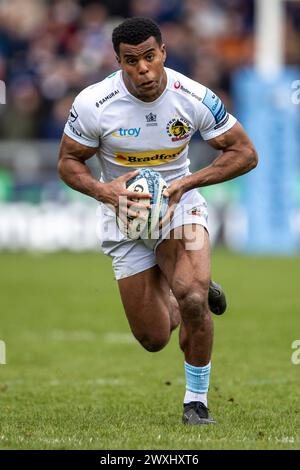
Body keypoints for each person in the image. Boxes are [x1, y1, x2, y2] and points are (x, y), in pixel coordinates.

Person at [58, 17, 258, 425]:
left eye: (150, 56)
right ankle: (185, 288)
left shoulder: (193, 96)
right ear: (117, 61)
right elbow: (67, 162)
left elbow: (244, 153)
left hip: (179, 206)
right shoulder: (94, 103)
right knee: (152, 338)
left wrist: (187, 183)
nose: (143, 69)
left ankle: (196, 403)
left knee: (194, 298)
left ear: (163, 51)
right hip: (124, 214)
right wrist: (106, 191)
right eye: (131, 61)